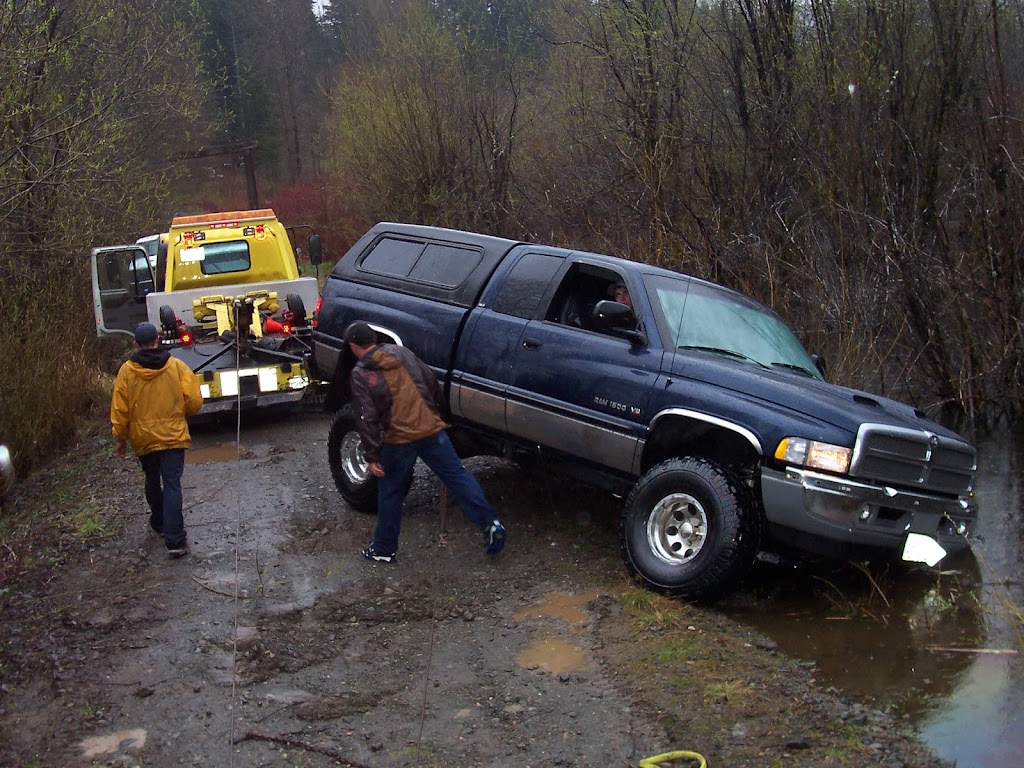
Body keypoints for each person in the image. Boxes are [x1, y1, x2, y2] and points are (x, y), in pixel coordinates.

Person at [344, 321, 506, 563]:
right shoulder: (402, 353)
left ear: (353, 346)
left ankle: (384, 549)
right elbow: (430, 381)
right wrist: (439, 416)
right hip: (431, 430)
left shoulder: (360, 373)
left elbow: (366, 417)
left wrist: (373, 455)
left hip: (398, 439)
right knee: (458, 476)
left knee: (390, 492)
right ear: (374, 340)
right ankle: (490, 523)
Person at [111, 322, 203, 558]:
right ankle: (175, 541)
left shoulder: (126, 372)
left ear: (135, 344)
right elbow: (194, 401)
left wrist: (120, 438)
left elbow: (120, 409)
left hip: (143, 439)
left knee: (153, 479)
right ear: (158, 339)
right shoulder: (176, 367)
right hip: (173, 437)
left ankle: (160, 524)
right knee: (172, 484)